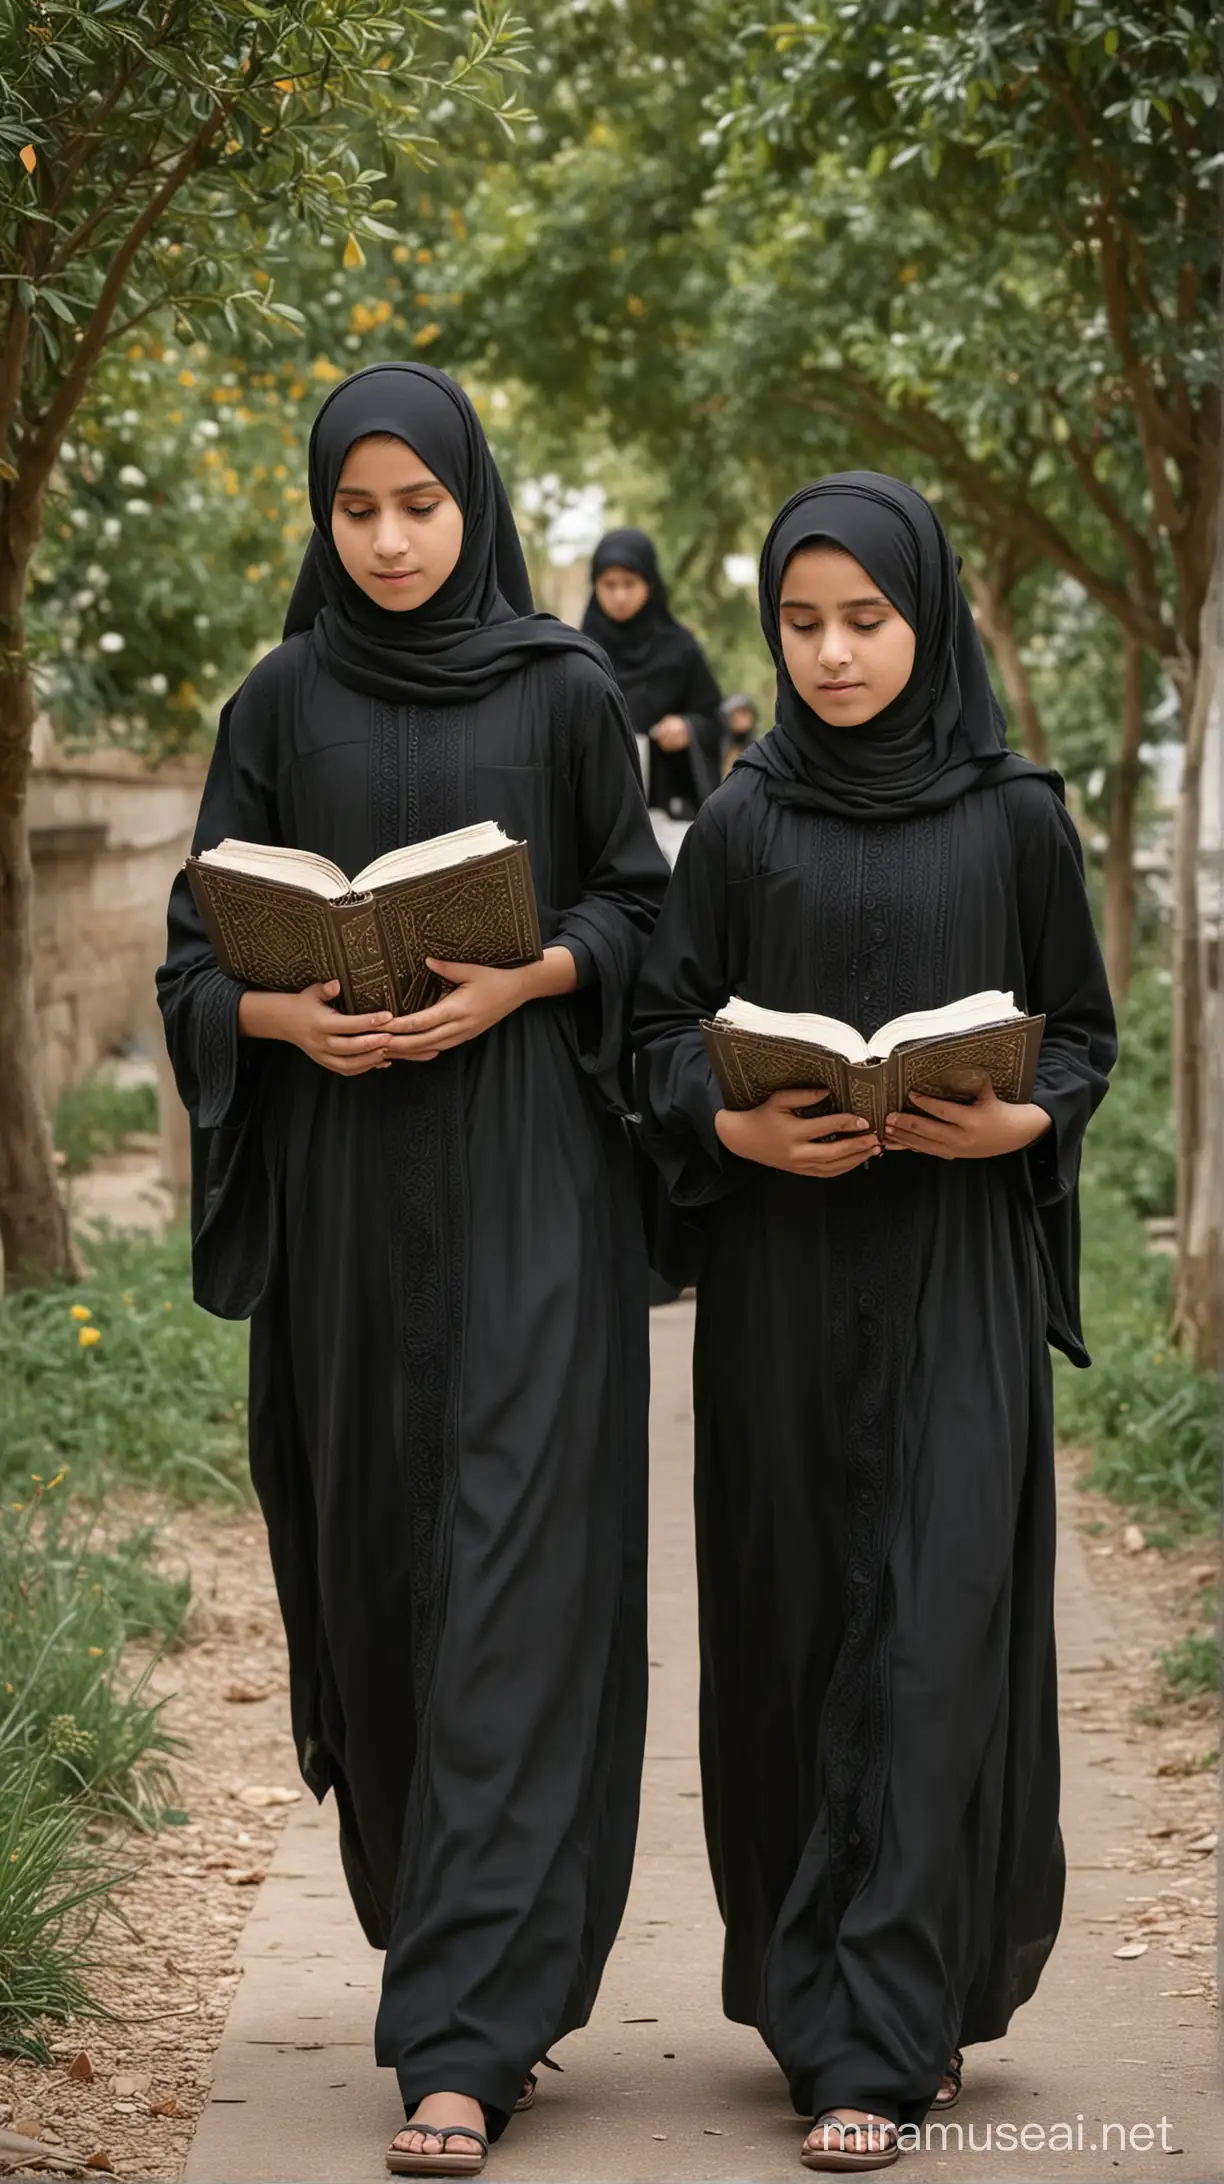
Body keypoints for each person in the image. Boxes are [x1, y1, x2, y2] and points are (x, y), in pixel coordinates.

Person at [157, 364, 669, 2178]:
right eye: (354, 507)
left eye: (418, 505)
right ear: (324, 512)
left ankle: (460, 2034)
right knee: (383, 1582)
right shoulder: (275, 698)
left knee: (514, 1581)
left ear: (474, 501)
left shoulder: (563, 687)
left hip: (532, 1183)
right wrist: (279, 1008)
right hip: (351, 1201)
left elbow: (636, 909)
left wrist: (532, 975)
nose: (385, 538)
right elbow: (188, 957)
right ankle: (447, 1942)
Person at [633, 473, 1116, 2173]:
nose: (831, 652)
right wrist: (727, 1117)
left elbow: (1077, 1035)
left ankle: (881, 2032)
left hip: (952, 1276)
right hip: (777, 1283)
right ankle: (808, 1993)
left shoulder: (1013, 820)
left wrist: (1022, 1120)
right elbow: (658, 1034)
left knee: (927, 1635)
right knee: (788, 1629)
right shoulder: (746, 820)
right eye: (799, 620)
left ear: (926, 617)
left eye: (864, 616)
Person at [581, 526, 723, 863]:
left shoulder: (681, 650)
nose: (619, 597)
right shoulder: (581, 652)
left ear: (650, 583)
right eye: (608, 585)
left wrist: (687, 728)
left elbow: (714, 719)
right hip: (601, 819)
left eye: (629, 584)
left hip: (671, 813)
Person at [719, 691, 760, 774]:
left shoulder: (757, 749)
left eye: (746, 713)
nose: (745, 719)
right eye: (740, 713)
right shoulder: (716, 748)